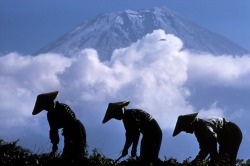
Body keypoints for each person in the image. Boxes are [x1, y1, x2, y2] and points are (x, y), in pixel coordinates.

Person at [32, 91, 86, 160]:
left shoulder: (63, 107)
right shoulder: (50, 115)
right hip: (67, 133)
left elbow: (70, 121)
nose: (45, 108)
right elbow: (53, 130)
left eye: (45, 105)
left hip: (77, 129)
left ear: (49, 102)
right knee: (67, 155)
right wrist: (54, 144)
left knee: (78, 151)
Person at [172, 113, 242, 166]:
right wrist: (195, 162)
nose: (186, 131)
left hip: (231, 131)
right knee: (221, 160)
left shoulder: (202, 124)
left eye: (185, 129)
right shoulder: (198, 132)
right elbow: (204, 149)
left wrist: (213, 155)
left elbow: (212, 138)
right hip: (224, 134)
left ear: (190, 123)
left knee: (226, 159)